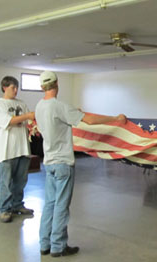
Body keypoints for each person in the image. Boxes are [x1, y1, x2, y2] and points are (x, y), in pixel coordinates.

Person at [36, 71, 126, 257]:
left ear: (41, 87)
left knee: (50, 205)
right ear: (57, 84)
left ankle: (44, 244)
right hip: (63, 163)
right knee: (61, 206)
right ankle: (58, 246)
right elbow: (90, 120)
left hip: (49, 163)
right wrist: (115, 118)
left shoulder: (39, 106)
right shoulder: (60, 106)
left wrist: (73, 112)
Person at [0, 76, 35, 223]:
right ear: (4, 87)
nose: (16, 90)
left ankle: (17, 205)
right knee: (5, 181)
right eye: (12, 87)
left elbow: (29, 120)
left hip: (22, 148)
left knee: (20, 180)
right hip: (6, 150)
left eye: (17, 87)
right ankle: (4, 209)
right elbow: (9, 121)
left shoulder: (21, 104)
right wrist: (27, 116)